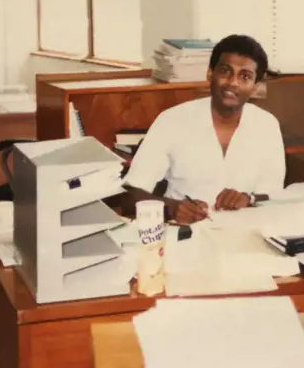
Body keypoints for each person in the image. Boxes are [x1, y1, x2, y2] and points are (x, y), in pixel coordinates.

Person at [121, 34, 286, 225]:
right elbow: (128, 198)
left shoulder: (267, 126)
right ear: (210, 74)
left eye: (245, 76)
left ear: (255, 87)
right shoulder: (172, 121)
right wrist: (172, 208)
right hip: (186, 236)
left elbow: (275, 198)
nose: (233, 82)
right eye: (225, 71)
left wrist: (249, 199)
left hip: (245, 238)